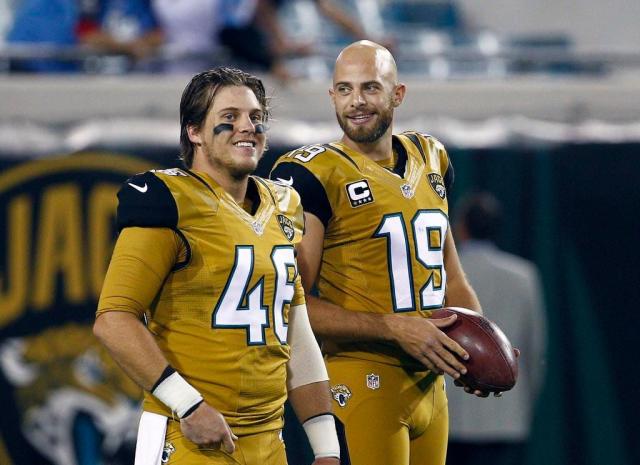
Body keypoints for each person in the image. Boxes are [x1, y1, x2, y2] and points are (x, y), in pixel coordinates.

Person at [94, 67, 344, 465]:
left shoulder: (285, 205)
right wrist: (188, 405)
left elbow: (295, 328)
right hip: (189, 435)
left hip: (269, 439)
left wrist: (326, 445)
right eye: (229, 118)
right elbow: (113, 319)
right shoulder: (169, 200)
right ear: (194, 131)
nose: (247, 127)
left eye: (255, 118)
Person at [270, 40, 486, 465]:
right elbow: (290, 304)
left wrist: (477, 345)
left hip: (428, 385)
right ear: (331, 95)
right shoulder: (311, 174)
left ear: (397, 94)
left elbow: (452, 277)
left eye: (370, 87)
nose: (357, 102)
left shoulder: (431, 157)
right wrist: (390, 327)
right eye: (345, 89)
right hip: (359, 377)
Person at [446, 192, 547, 465]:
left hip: (448, 413)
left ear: (460, 228)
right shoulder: (524, 276)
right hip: (506, 415)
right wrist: (522, 403)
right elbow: (535, 348)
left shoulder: (441, 274)